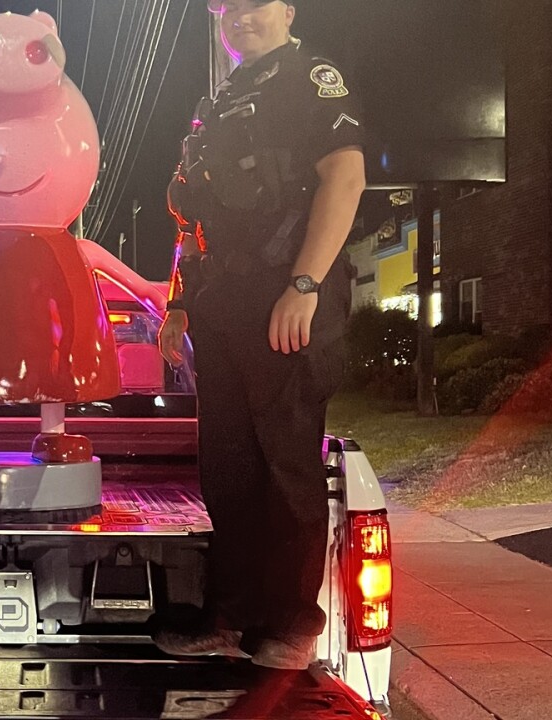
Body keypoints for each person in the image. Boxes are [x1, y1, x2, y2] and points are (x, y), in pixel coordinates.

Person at [154, 0, 366, 670]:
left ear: (287, 9)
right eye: (228, 7)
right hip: (223, 305)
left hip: (285, 297)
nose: (240, 15)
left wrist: (303, 285)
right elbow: (193, 217)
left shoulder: (313, 76)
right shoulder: (220, 101)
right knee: (230, 472)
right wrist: (180, 303)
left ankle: (292, 624)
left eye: (255, 3)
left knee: (286, 468)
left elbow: (346, 176)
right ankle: (231, 616)